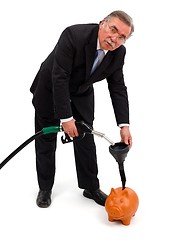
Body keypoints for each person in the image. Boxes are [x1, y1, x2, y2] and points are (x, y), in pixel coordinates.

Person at [30, 10, 134, 208]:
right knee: (46, 140)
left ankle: (90, 186)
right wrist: (66, 118)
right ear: (102, 23)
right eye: (113, 30)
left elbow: (118, 87)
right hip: (50, 88)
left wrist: (124, 125)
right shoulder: (73, 35)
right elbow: (59, 77)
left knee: (85, 138)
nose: (115, 39)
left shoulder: (118, 53)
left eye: (122, 37)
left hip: (80, 93)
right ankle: (45, 188)